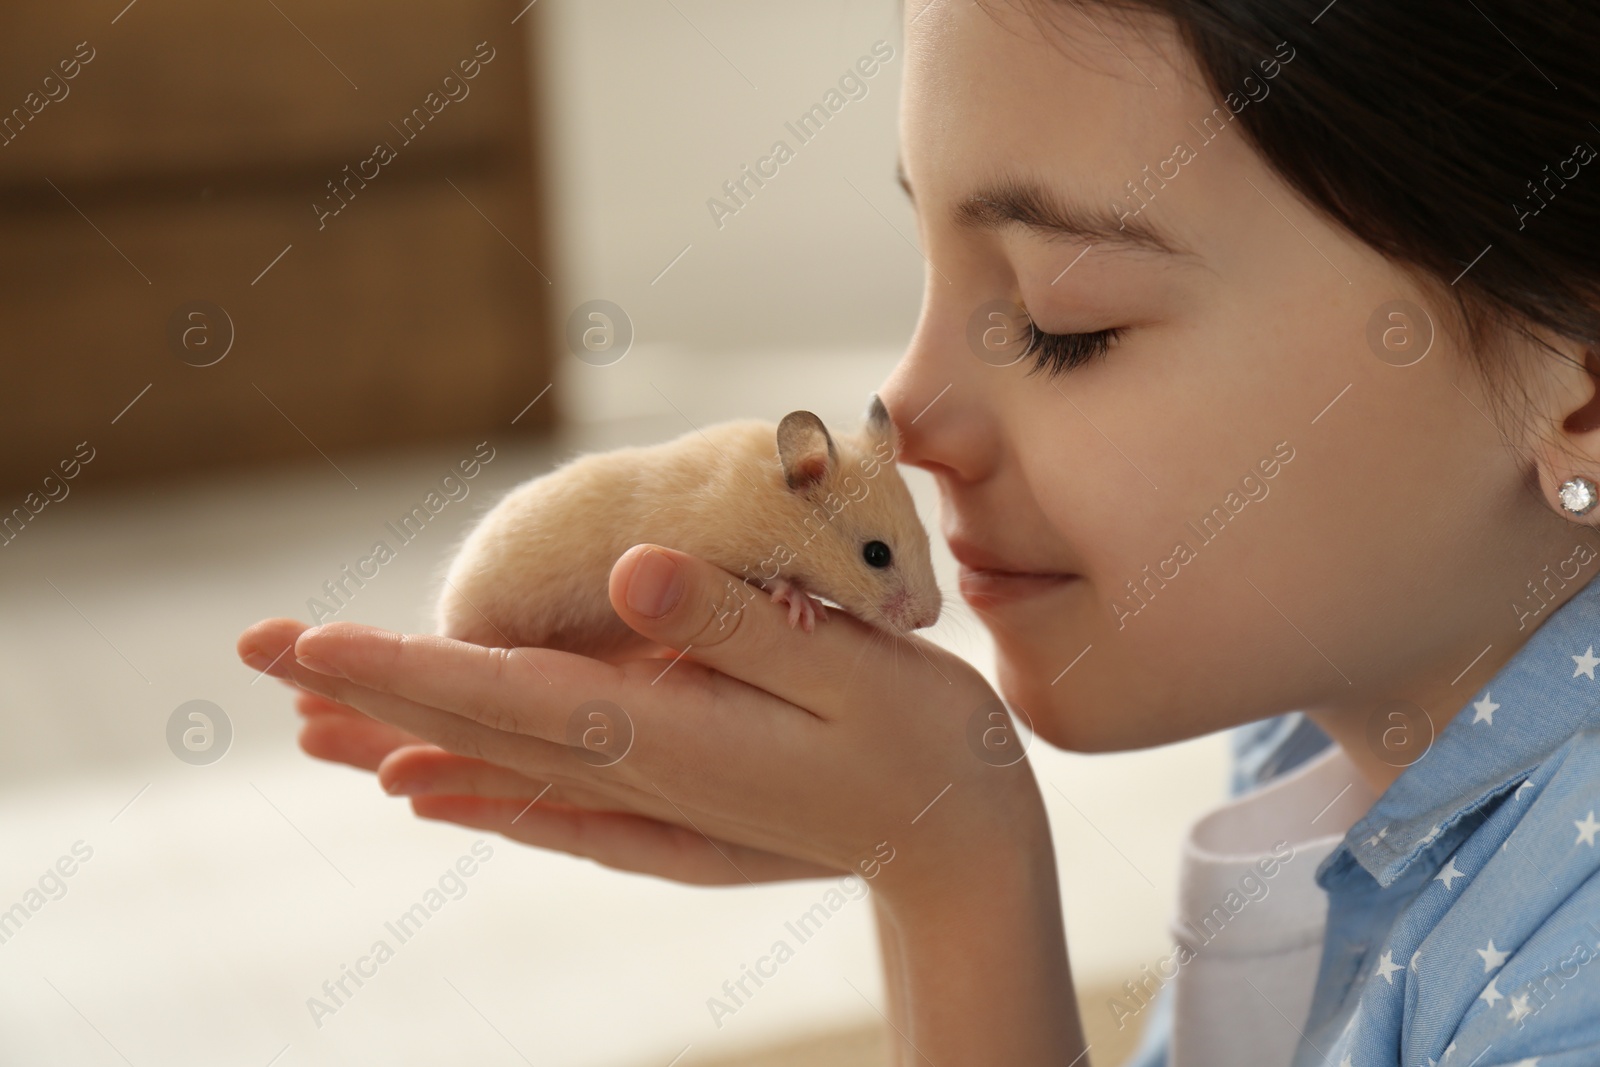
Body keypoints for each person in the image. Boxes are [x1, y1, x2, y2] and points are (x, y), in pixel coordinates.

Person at [237, 0, 1600, 1062]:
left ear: (1579, 387)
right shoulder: (1336, 717)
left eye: (1068, 322)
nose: (899, 408)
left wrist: (960, 890)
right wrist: (914, 842)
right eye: (927, 270)